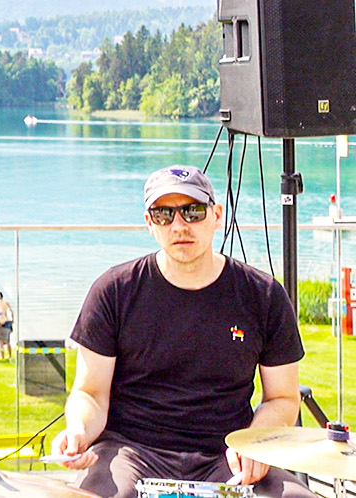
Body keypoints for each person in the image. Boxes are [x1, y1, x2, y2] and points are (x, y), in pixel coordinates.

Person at [51, 165, 313, 498]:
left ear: (216, 215)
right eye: (163, 215)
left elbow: (282, 398)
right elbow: (90, 393)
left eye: (193, 211)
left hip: (227, 452)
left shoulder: (263, 294)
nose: (179, 226)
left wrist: (255, 442)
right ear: (149, 223)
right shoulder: (114, 290)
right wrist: (78, 431)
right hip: (131, 450)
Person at [0, 291, 13, 360]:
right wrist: (12, 320)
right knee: (7, 340)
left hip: (1, 322)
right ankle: (9, 355)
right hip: (8, 322)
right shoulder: (6, 303)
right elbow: (11, 312)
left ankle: (2, 356)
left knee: (1, 340)